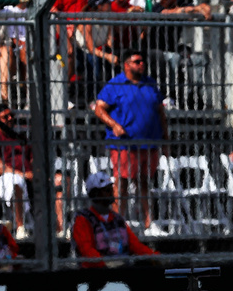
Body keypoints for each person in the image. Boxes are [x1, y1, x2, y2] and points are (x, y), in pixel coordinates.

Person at [93, 48, 167, 233]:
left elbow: (160, 113)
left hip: (148, 143)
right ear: (126, 65)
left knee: (144, 182)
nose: (142, 64)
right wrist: (114, 125)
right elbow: (99, 109)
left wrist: (165, 139)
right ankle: (118, 223)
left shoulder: (150, 84)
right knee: (122, 183)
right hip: (124, 144)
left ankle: (149, 223)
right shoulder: (116, 84)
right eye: (137, 61)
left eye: (142, 61)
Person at [71, 171, 158, 268]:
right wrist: (106, 263)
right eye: (106, 190)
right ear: (95, 194)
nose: (111, 192)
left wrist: (156, 257)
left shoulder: (117, 219)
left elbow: (134, 245)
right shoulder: (83, 219)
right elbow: (86, 250)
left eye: (111, 188)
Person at [0, 106, 36, 233]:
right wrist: (23, 175)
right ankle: (20, 228)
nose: (10, 118)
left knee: (58, 180)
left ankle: (60, 228)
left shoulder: (20, 137)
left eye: (11, 115)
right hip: (0, 181)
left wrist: (37, 173)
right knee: (15, 180)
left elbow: (33, 160)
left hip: (28, 177)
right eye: (5, 117)